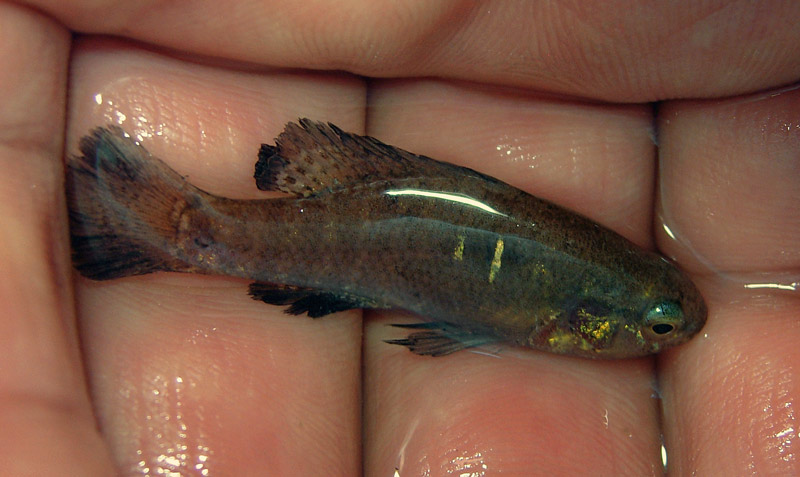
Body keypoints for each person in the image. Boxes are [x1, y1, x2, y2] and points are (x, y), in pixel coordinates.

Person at [1, 1, 797, 474]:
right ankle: (158, 226)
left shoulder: (590, 289)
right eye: (658, 326)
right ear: (593, 319)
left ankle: (157, 224)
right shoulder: (578, 312)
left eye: (662, 327)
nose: (665, 336)